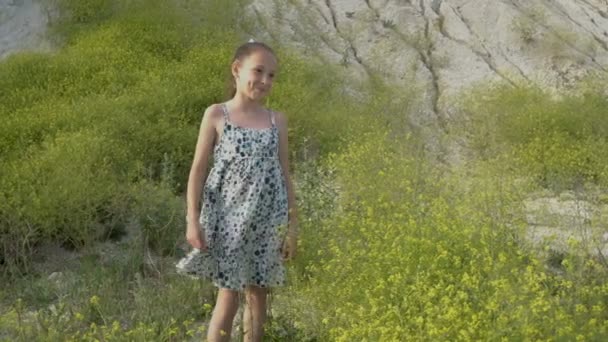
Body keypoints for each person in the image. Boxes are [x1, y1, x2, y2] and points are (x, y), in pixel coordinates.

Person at [176, 39, 298, 342]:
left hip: (269, 220)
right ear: (236, 70)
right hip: (228, 221)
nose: (265, 80)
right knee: (228, 295)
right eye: (258, 71)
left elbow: (285, 174)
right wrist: (193, 219)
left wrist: (293, 227)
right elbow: (198, 170)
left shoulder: (276, 121)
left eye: (272, 75)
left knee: (259, 296)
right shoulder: (217, 114)